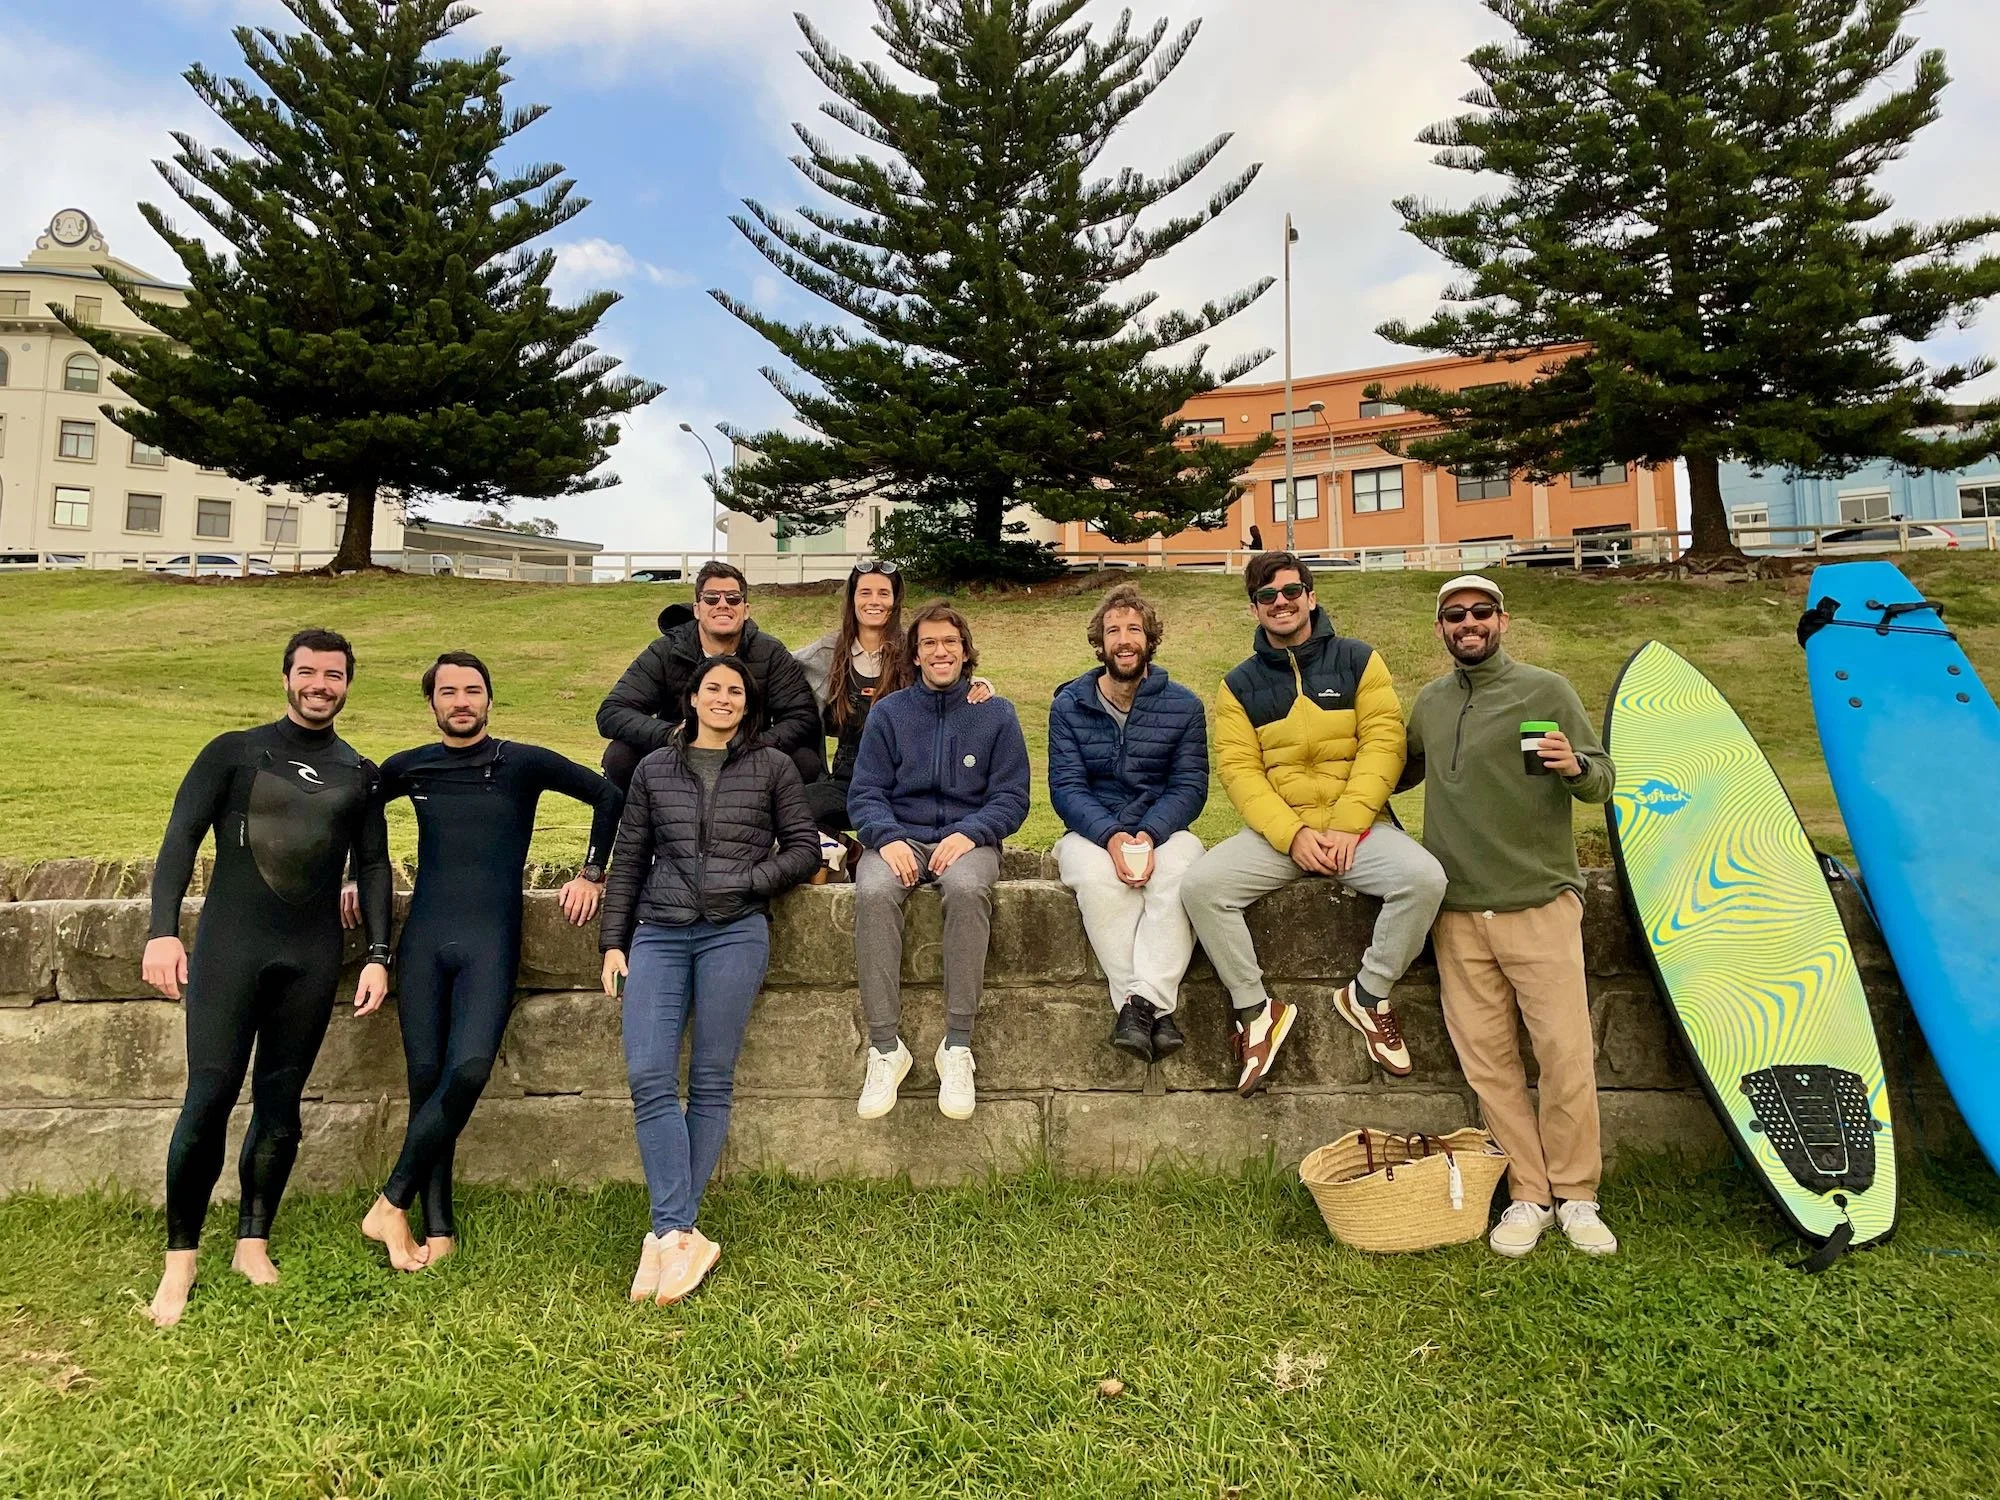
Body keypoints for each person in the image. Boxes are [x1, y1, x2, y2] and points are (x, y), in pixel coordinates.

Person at [138, 628, 393, 1327]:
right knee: (209, 1097)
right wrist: (162, 931)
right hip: (231, 949)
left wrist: (378, 954)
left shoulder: (359, 772)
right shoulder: (233, 752)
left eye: (333, 675)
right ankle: (180, 1259)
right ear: (286, 677)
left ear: (348, 684)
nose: (320, 686)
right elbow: (180, 838)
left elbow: (373, 864)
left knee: (281, 1106)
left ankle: (253, 1241)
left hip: (309, 957)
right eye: (308, 672)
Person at [348, 652, 625, 1273]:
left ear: (490, 700)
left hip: (490, 939)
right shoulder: (407, 767)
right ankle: (437, 1229)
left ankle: (390, 1202)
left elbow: (608, 795)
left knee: (469, 1069)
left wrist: (592, 872)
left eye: (472, 690)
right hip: (424, 940)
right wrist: (351, 877)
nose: (461, 701)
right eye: (448, 692)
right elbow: (360, 816)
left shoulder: (521, 763)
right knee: (426, 1082)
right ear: (432, 704)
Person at [1401, 576, 1619, 1257]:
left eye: (1481, 612)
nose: (1468, 623)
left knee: (1564, 1057)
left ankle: (1577, 1194)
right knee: (1489, 1066)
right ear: (1440, 628)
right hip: (1458, 913)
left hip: (1539, 902)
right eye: (1454, 615)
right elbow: (1392, 771)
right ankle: (1530, 1194)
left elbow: (1602, 781)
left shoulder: (1546, 691)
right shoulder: (1430, 703)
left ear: (1502, 620)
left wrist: (1574, 765)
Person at [1181, 553, 1447, 1094]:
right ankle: (1256, 1011)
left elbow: (1384, 744)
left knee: (1425, 881)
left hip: (1361, 828)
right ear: (1254, 608)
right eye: (1267, 596)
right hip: (1282, 835)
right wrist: (1293, 834)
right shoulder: (1238, 685)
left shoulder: (1359, 660)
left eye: (1290, 591)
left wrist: (1349, 824)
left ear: (1311, 596)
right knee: (1202, 888)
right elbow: (1240, 771)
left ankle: (1369, 994)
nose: (1280, 602)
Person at [599, 656, 821, 1304]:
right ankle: (677, 1234)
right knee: (648, 1075)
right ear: (692, 698)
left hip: (735, 932)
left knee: (711, 1080)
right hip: (660, 931)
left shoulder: (772, 767)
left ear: (747, 705)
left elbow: (804, 849)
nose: (724, 698)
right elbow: (629, 857)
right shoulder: (653, 768)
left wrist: (747, 881)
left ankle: (669, 1235)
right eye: (713, 688)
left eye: (736, 691)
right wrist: (613, 941)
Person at [848, 602, 1030, 1121]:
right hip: (900, 837)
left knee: (968, 891)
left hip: (968, 841)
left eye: (950, 642)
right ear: (915, 654)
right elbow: (865, 792)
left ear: (966, 651)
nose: (940, 651)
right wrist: (887, 837)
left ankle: (957, 1046)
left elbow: (1012, 797)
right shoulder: (889, 713)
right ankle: (886, 1048)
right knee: (874, 892)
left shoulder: (996, 713)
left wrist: (971, 833)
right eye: (928, 643)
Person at [1048, 584, 1210, 1062]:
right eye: (1113, 630)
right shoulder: (1069, 705)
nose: (1124, 639)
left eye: (1134, 629)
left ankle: (1136, 1008)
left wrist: (1149, 834)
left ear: (1149, 639)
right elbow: (1067, 788)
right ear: (1100, 643)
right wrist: (1112, 835)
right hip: (1090, 830)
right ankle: (1154, 1011)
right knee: (1100, 882)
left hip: (1163, 828)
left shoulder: (1184, 706)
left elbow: (1190, 786)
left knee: (1181, 877)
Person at [794, 561, 993, 842]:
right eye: (865, 593)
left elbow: (945, 674)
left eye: (883, 593)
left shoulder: (912, 649)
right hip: (849, 781)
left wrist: (979, 683)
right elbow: (781, 669)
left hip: (905, 782)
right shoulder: (827, 653)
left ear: (895, 600)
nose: (874, 601)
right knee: (795, 807)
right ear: (852, 599)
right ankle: (849, 851)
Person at [596, 560, 822, 792]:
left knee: (805, 761)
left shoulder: (771, 653)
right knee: (619, 756)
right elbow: (612, 712)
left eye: (733, 598)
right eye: (712, 598)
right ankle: (639, 814)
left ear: (745, 609)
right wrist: (672, 735)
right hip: (678, 756)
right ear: (697, 609)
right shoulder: (664, 651)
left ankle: (776, 815)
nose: (723, 605)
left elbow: (802, 716)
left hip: (749, 756)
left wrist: (753, 744)